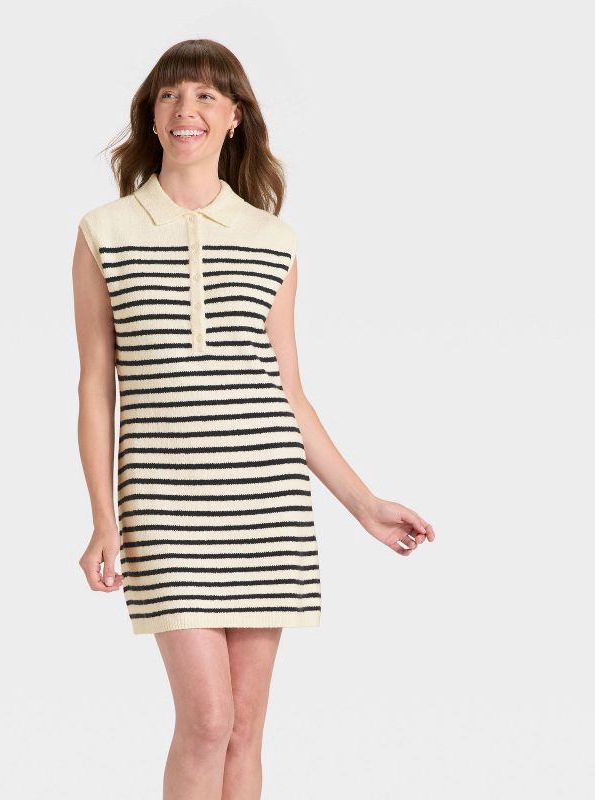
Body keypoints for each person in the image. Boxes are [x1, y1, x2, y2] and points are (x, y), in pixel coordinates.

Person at [73, 38, 435, 800]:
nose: (187, 109)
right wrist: (104, 518)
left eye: (207, 95)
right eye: (171, 95)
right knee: (206, 720)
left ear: (235, 117)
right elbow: (96, 386)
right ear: (151, 116)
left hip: (266, 506)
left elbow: (290, 395)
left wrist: (364, 504)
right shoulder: (105, 230)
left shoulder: (274, 240)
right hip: (163, 505)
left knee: (243, 729)